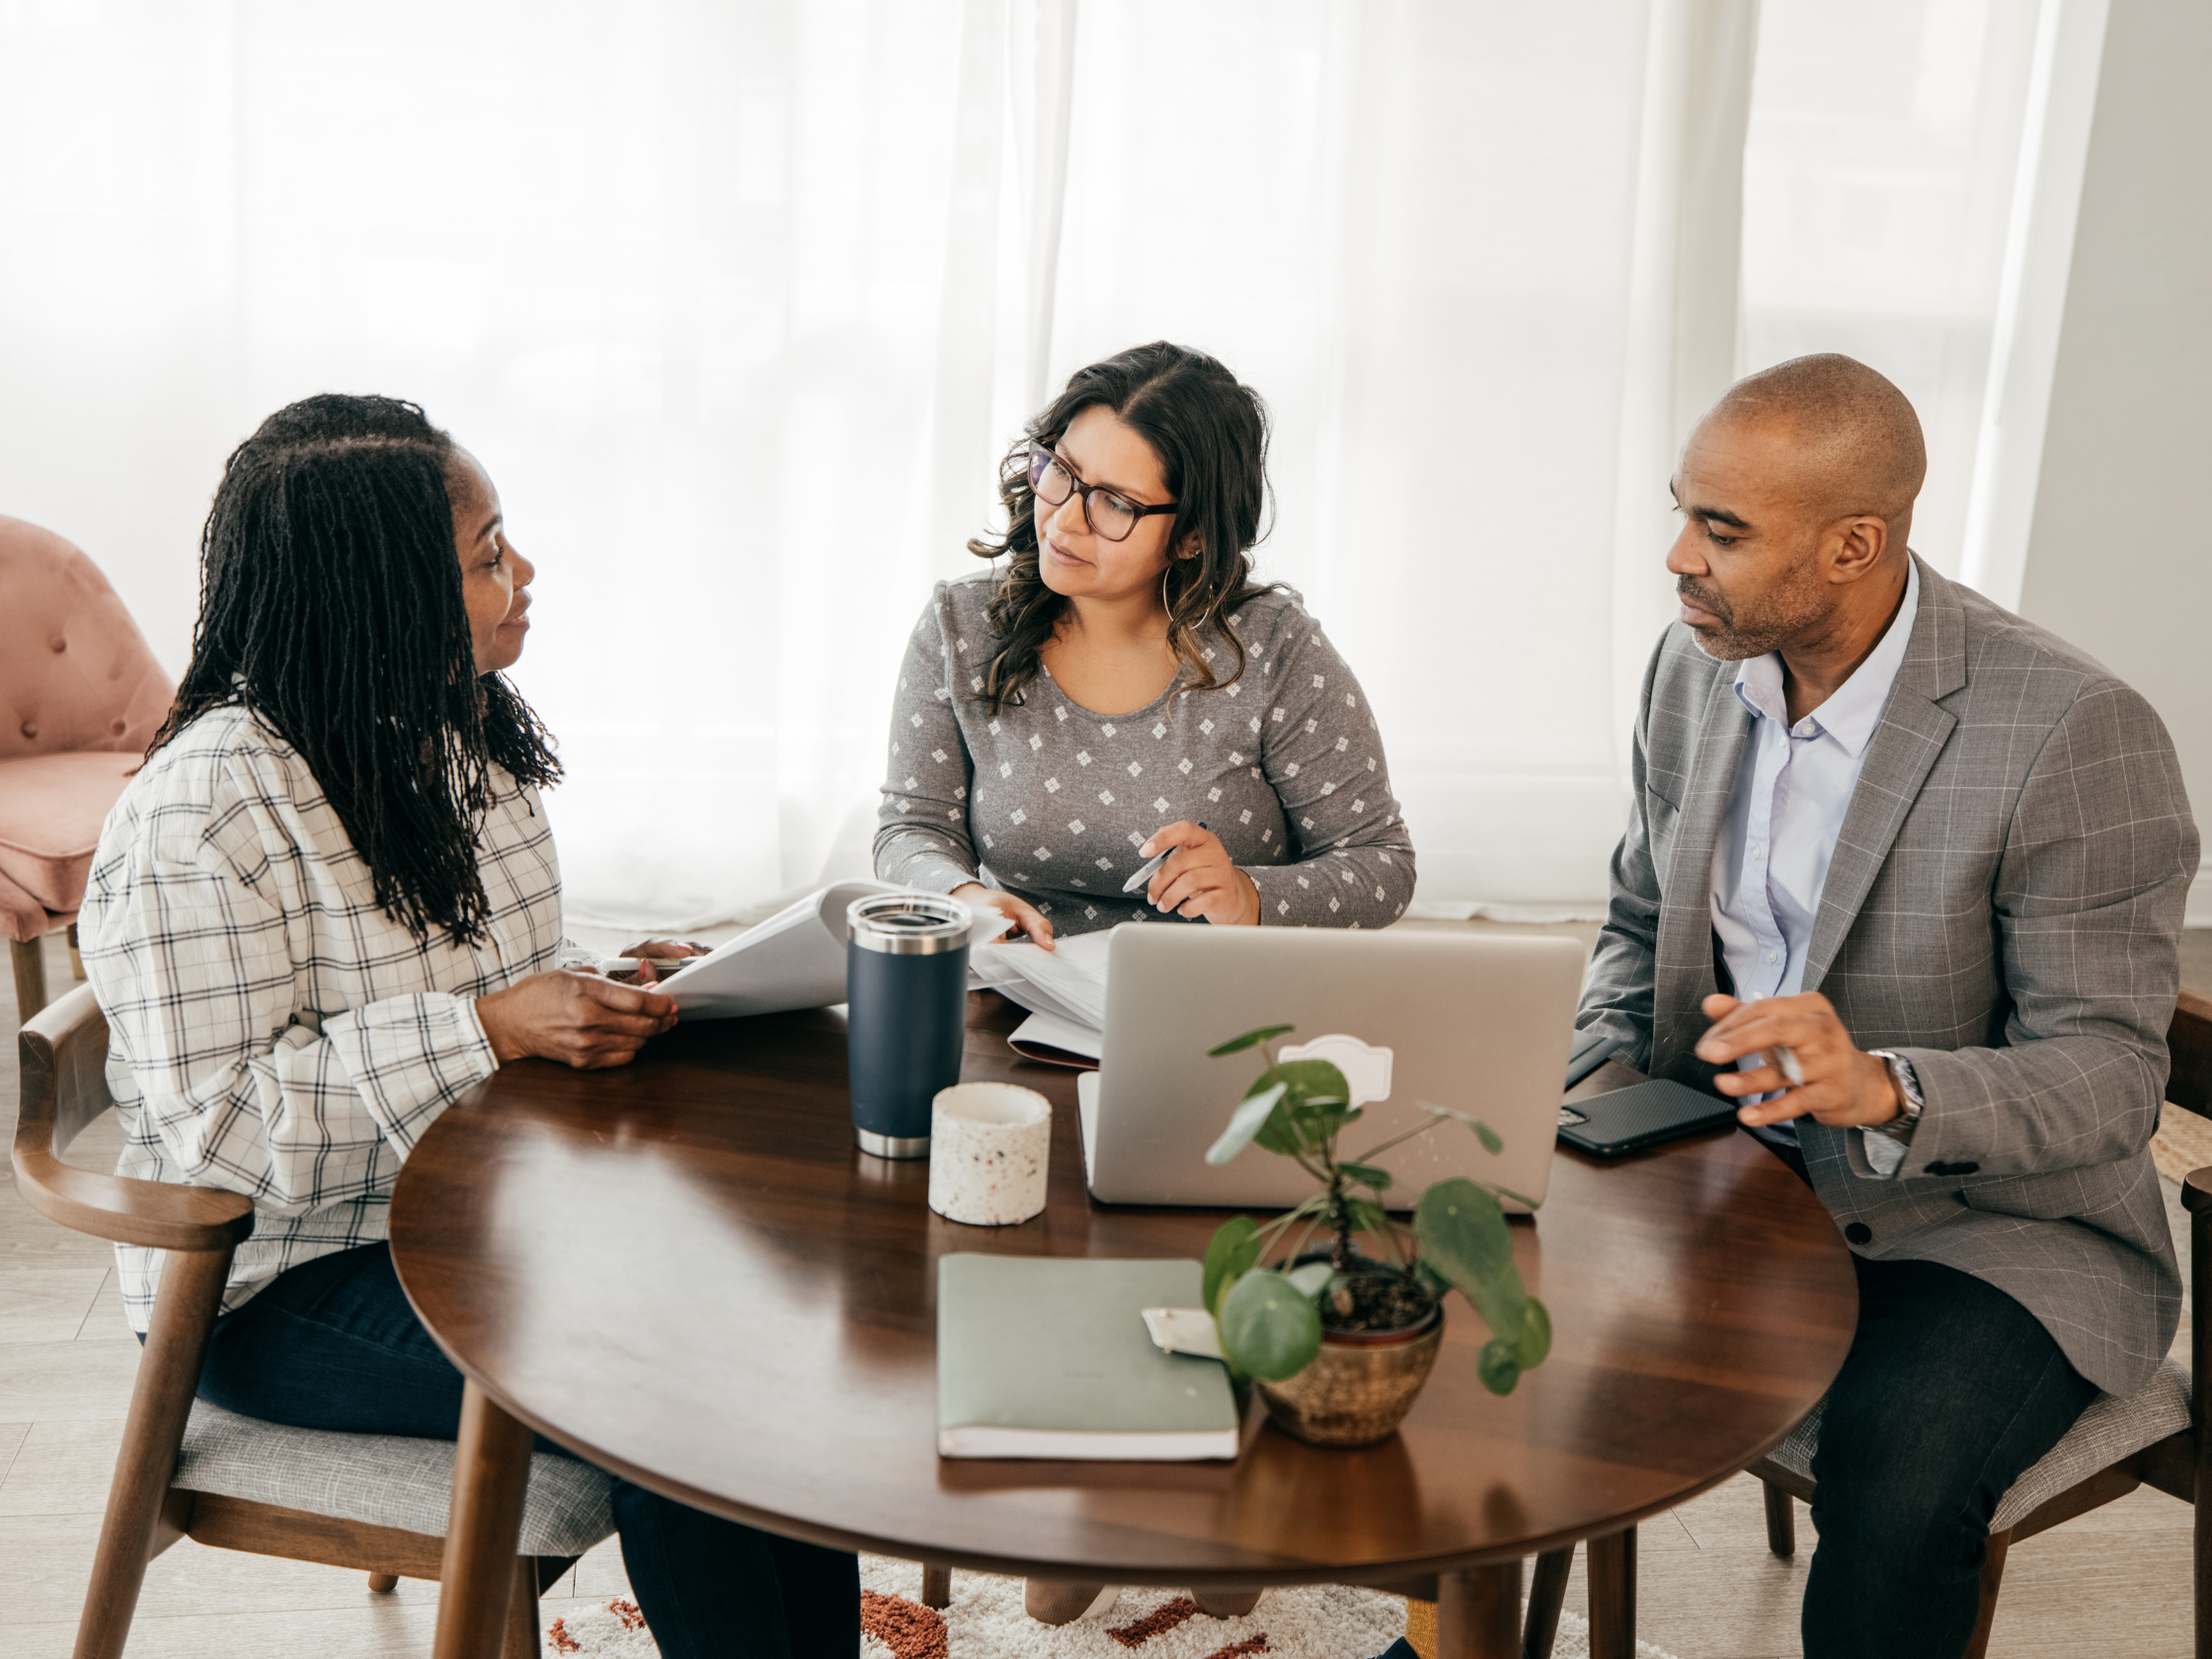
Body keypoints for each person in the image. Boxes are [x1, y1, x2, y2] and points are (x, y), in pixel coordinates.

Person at [79, 395, 856, 1659]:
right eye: (488, 553)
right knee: (677, 1393)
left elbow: (484, 975)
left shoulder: (448, 734)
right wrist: (489, 1029)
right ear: (376, 592)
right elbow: (224, 1133)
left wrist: (605, 988)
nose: (525, 574)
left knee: (771, 1310)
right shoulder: (203, 814)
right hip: (274, 1289)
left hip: (482, 1214)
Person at [1578, 354, 2196, 1659]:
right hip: (1725, 1165)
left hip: (1981, 1230)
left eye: (1724, 530)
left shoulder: (2073, 729)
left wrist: (1887, 1088)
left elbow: (2108, 1073)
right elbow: (1639, 927)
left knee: (1901, 1482)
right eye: (1681, 509)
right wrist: (1593, 1091)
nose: (1677, 556)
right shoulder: (1695, 667)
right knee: (1473, 1320)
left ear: (1856, 543)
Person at [876, 341, 1415, 949]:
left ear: (1190, 536)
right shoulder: (961, 624)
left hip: (1212, 1006)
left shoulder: (1275, 650)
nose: (1063, 522)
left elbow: (1381, 865)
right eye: (1062, 471)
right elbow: (911, 829)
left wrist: (1247, 895)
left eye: (1116, 502)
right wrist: (964, 900)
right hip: (1019, 996)